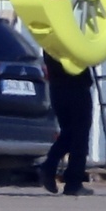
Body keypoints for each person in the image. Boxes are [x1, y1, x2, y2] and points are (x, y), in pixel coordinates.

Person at [40, 51, 95, 196]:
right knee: (79, 136)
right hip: (76, 87)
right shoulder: (69, 38)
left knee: (69, 133)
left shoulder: (49, 41)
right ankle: (73, 183)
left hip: (57, 88)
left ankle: (49, 167)